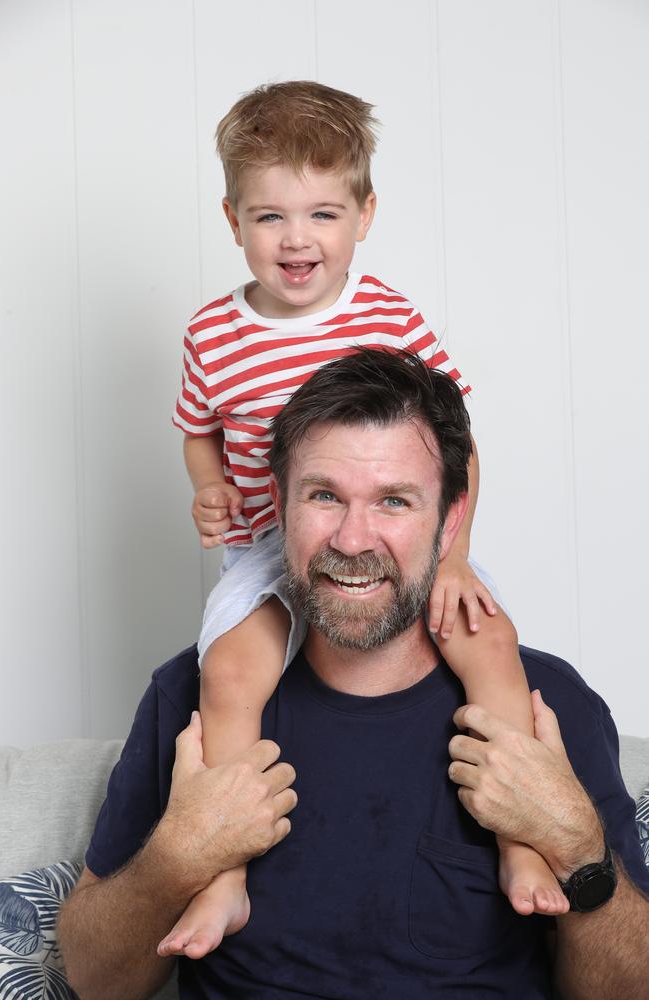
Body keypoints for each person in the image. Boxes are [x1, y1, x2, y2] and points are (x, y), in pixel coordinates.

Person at [59, 350, 649, 1000]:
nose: (352, 539)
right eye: (324, 496)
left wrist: (578, 850)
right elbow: (93, 983)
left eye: (394, 501)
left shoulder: (546, 701)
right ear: (279, 505)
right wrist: (179, 858)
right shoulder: (192, 692)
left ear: (450, 520)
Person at [169, 79, 556, 959]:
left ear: (366, 213)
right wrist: (211, 488)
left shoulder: (385, 316)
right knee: (232, 676)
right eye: (269, 217)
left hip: (393, 547)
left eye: (323, 214)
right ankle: (223, 875)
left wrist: (456, 556)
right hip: (276, 547)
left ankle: (523, 838)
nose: (297, 240)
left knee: (489, 642)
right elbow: (199, 429)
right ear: (232, 219)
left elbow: (456, 446)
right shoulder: (211, 334)